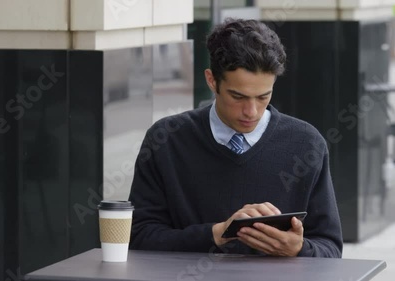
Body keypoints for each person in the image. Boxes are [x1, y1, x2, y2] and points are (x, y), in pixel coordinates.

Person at [128, 18, 343, 258]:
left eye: (263, 96)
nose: (251, 111)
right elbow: (138, 238)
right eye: (238, 96)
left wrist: (300, 249)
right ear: (212, 81)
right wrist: (215, 234)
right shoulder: (166, 140)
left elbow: (331, 248)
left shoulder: (306, 144)